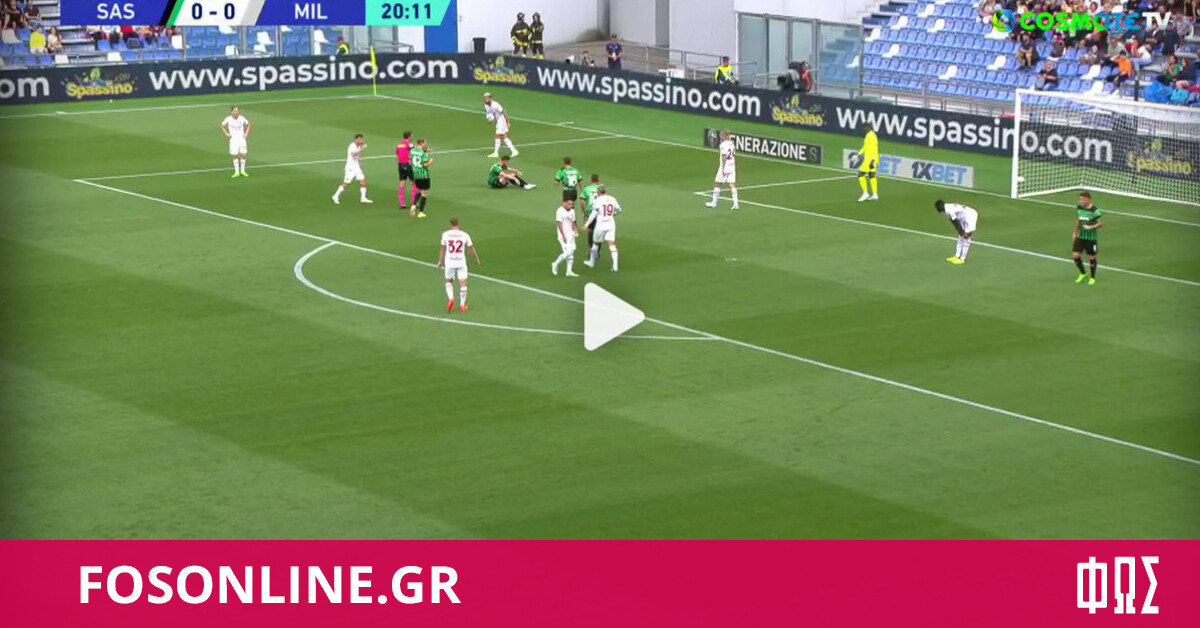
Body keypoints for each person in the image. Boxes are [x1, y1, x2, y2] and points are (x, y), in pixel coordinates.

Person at [438, 217, 480, 313]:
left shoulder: (445, 234)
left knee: (449, 280)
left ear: (450, 224)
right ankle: (462, 306)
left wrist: (440, 261)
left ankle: (451, 299)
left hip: (450, 262)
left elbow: (443, 249)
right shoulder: (464, 235)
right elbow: (471, 247)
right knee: (463, 282)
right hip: (461, 262)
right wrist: (476, 258)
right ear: (458, 224)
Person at [584, 185, 621, 272]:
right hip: (610, 224)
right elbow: (619, 209)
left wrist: (586, 225)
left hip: (600, 225)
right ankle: (615, 266)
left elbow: (593, 214)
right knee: (612, 244)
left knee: (595, 243)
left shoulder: (598, 201)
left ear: (598, 192)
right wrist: (613, 214)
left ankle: (591, 262)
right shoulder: (612, 198)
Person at [333, 134, 372, 205]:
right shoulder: (352, 146)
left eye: (361, 139)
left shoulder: (359, 145)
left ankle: (363, 198)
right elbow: (353, 154)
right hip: (350, 168)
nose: (361, 141)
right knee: (346, 184)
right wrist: (361, 148)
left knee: (363, 182)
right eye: (359, 139)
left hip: (356, 167)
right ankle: (335, 196)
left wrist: (359, 162)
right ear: (356, 140)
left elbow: (357, 156)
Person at [1072, 191, 1102, 284]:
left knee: (1091, 257)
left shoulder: (1095, 210)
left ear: (1088, 199)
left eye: (1083, 199)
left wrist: (1091, 227)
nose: (1081, 201)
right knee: (1075, 255)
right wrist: (1074, 232)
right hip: (1081, 236)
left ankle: (1092, 278)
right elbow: (1078, 220)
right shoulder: (1079, 208)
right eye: (1080, 199)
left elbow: (1100, 224)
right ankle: (1082, 273)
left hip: (1091, 238)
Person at [935, 200, 978, 264]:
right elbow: (953, 221)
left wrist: (961, 231)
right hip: (963, 218)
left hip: (970, 216)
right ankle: (957, 256)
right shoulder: (946, 209)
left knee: (966, 236)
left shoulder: (948, 209)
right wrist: (959, 231)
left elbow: (956, 221)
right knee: (960, 236)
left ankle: (962, 258)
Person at [705, 131, 739, 210]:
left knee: (717, 183)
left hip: (725, 166)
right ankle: (735, 204)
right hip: (732, 165)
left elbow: (724, 156)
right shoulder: (732, 144)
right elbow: (733, 154)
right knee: (732, 184)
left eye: (722, 136)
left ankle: (714, 203)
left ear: (724, 136)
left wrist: (723, 167)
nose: (721, 137)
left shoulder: (723, 145)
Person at [482, 92, 518, 158]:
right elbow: (490, 114)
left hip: (501, 119)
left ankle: (496, 153)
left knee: (498, 135)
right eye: (485, 98)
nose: (486, 99)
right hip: (498, 121)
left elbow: (503, 112)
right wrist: (491, 120)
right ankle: (514, 151)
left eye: (487, 98)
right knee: (504, 136)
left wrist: (508, 122)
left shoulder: (495, 105)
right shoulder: (486, 106)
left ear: (490, 98)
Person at [551, 199, 580, 277]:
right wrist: (563, 235)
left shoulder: (572, 211)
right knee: (567, 252)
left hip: (570, 234)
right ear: (565, 203)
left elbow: (573, 222)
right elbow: (559, 224)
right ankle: (555, 263)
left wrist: (575, 231)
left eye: (572, 204)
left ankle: (569, 271)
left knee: (572, 252)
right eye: (570, 204)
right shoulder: (560, 211)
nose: (571, 206)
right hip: (563, 235)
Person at [220, 106, 251, 178]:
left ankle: (242, 171)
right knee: (234, 155)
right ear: (231, 112)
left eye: (237, 111)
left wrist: (246, 133)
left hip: (242, 139)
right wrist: (226, 133)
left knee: (243, 154)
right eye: (234, 111)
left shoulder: (242, 118)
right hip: (233, 140)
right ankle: (236, 172)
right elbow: (221, 125)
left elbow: (248, 124)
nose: (236, 112)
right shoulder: (228, 119)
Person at [410, 138, 433, 218]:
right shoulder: (424, 153)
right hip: (424, 174)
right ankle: (421, 212)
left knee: (419, 191)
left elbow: (411, 161)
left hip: (416, 174)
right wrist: (430, 162)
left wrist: (426, 150)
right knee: (424, 193)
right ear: (422, 143)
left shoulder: (412, 151)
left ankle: (413, 204)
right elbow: (425, 164)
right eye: (425, 143)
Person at [857, 125, 880, 202]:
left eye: (865, 128)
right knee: (872, 175)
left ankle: (865, 193)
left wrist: (872, 160)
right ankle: (875, 195)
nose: (864, 129)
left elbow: (872, 148)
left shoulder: (870, 136)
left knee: (861, 174)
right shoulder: (872, 135)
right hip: (873, 159)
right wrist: (859, 153)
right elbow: (866, 147)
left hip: (869, 160)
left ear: (868, 128)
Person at [396, 131, 417, 212]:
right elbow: (415, 149)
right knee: (415, 182)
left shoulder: (399, 144)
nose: (412, 137)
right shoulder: (408, 144)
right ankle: (413, 203)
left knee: (402, 183)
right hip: (407, 165)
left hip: (400, 165)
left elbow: (397, 155)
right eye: (412, 136)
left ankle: (402, 204)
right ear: (409, 137)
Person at [580, 174, 602, 253]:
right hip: (599, 213)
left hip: (590, 212)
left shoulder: (586, 189)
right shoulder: (601, 190)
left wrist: (585, 212)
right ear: (598, 180)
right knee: (598, 231)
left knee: (590, 230)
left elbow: (582, 202)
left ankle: (591, 249)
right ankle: (598, 251)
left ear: (591, 180)